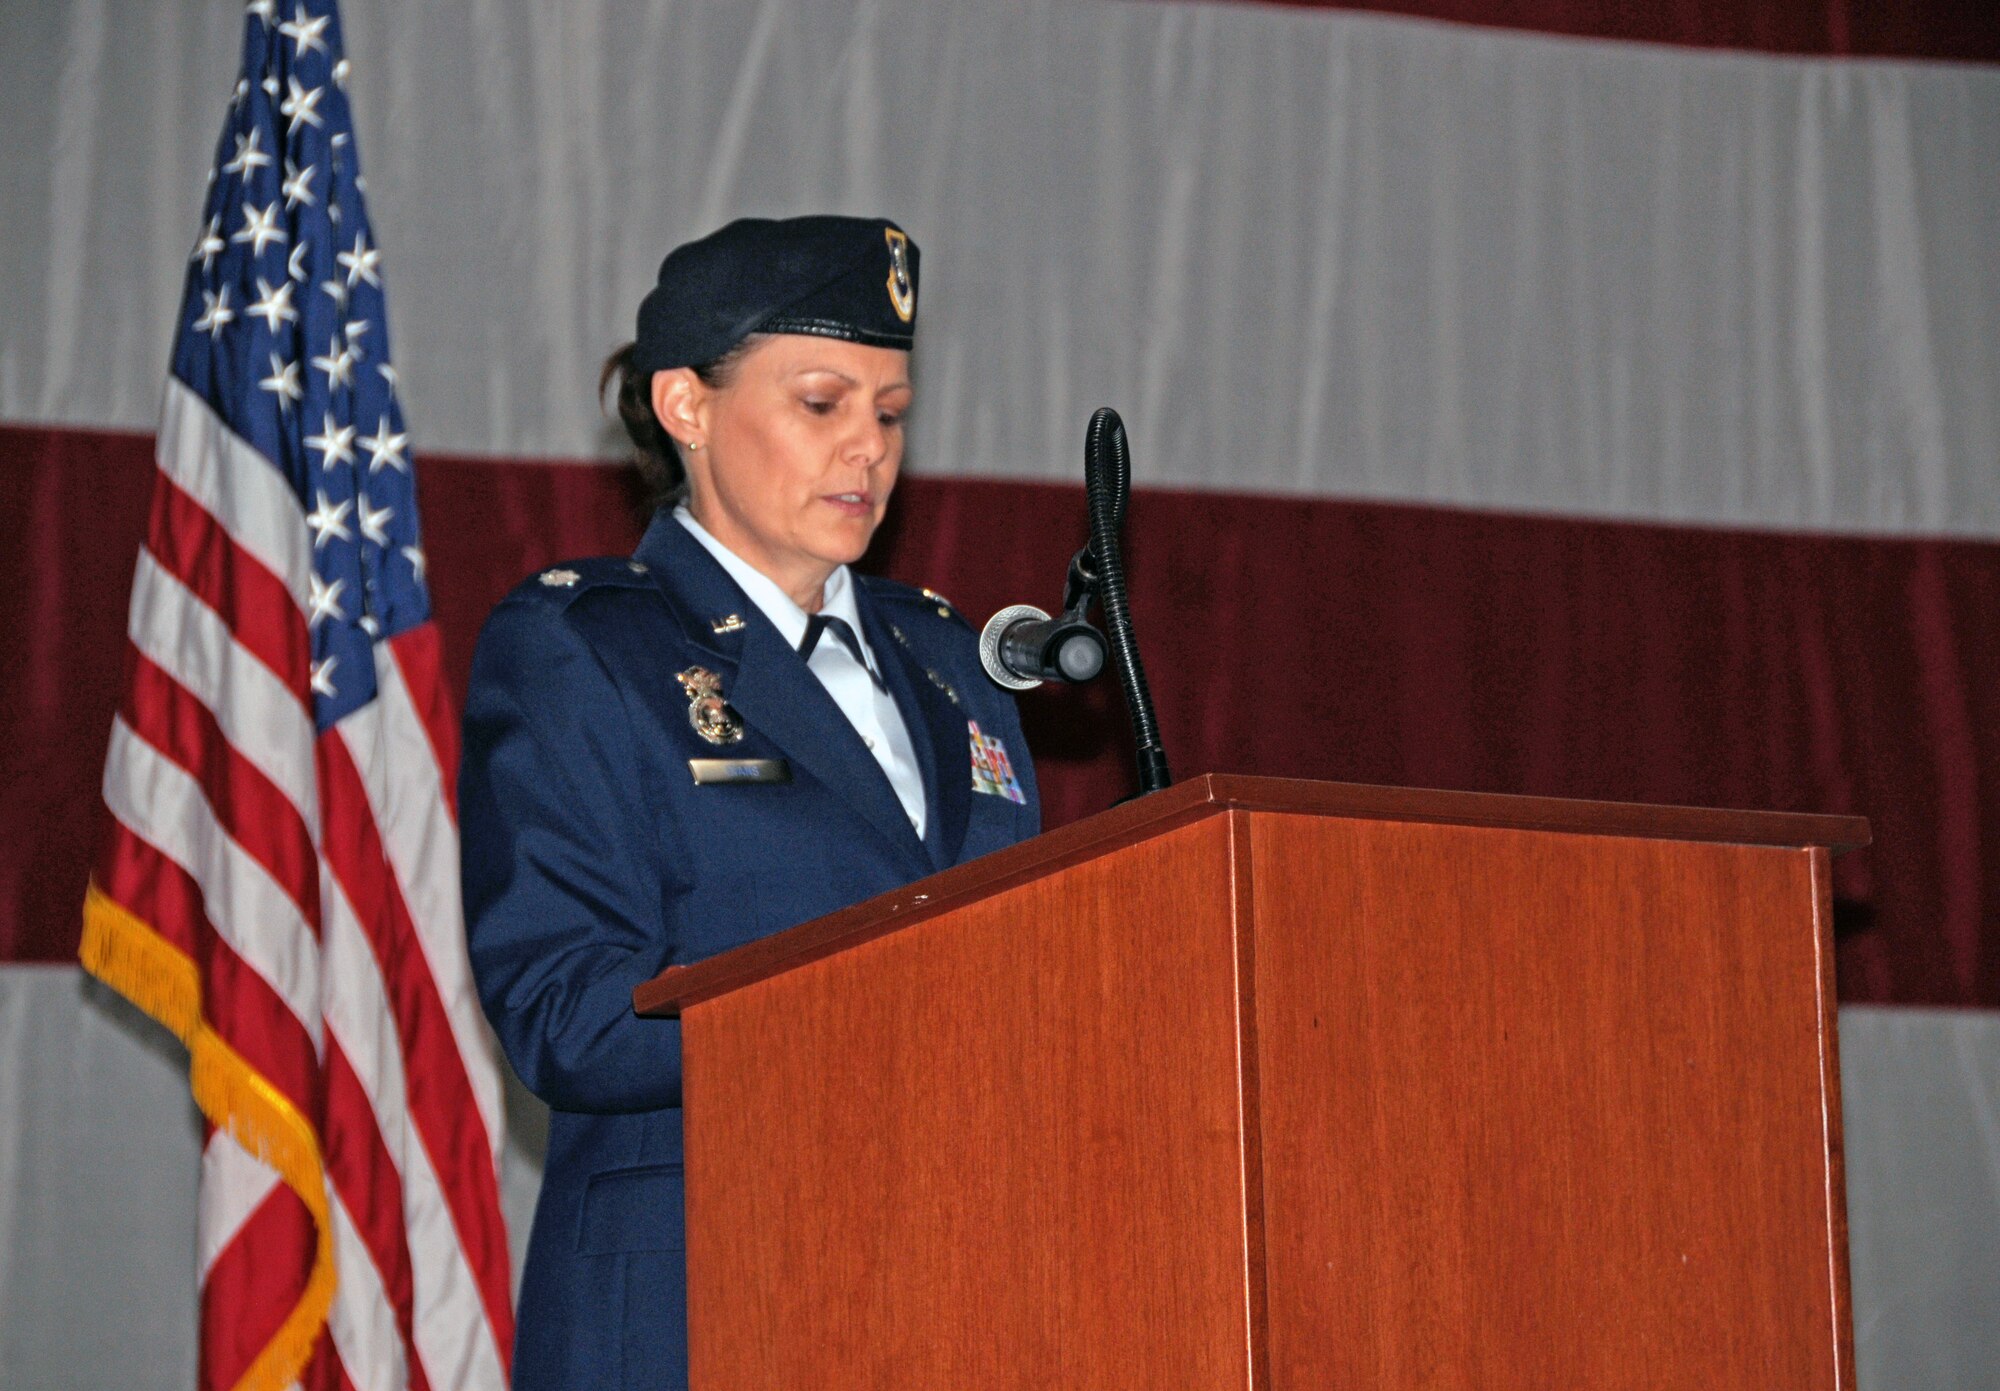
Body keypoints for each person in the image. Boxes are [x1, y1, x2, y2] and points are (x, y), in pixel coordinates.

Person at [458, 216, 1041, 1391]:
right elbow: (565, 1011)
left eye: (889, 413)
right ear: (686, 405)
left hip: (963, 1286)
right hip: (701, 1299)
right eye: (821, 403)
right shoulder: (586, 647)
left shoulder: (953, 659)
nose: (866, 451)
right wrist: (881, 1004)